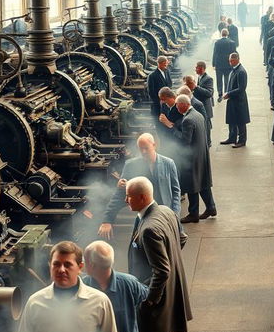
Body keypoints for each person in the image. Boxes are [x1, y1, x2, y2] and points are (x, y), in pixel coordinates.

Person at [126, 178, 192, 332]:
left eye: (129, 196)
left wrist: (150, 298)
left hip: (155, 292)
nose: (126, 200)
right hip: (170, 287)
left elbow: (162, 271)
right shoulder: (165, 211)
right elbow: (182, 238)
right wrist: (171, 258)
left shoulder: (149, 229)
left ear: (142, 197)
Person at [98, 133, 181, 240]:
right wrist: (107, 220)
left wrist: (175, 216)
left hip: (165, 215)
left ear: (154, 145)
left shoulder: (168, 163)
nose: (143, 152)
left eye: (146, 148)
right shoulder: (131, 165)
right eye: (140, 149)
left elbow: (176, 192)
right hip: (144, 217)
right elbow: (119, 195)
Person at [164, 94, 216, 223]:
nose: (176, 107)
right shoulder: (198, 115)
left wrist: (171, 127)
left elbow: (184, 141)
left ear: (183, 104)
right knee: (203, 183)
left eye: (177, 104)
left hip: (192, 158)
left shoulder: (188, 120)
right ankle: (211, 207)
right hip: (201, 155)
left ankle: (193, 213)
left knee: (192, 185)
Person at [221, 52, 250, 148]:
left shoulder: (241, 71)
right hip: (232, 99)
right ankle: (232, 138)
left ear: (237, 59)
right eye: (229, 60)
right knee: (232, 120)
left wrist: (229, 94)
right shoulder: (234, 70)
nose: (230, 62)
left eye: (232, 61)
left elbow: (241, 88)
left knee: (240, 122)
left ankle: (242, 140)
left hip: (239, 101)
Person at [212, 28, 236, 102]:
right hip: (228, 64)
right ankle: (226, 93)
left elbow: (215, 53)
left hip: (219, 64)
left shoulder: (217, 43)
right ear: (227, 34)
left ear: (221, 34)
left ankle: (220, 94)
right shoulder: (232, 42)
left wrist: (213, 63)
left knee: (219, 80)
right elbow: (234, 54)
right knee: (227, 79)